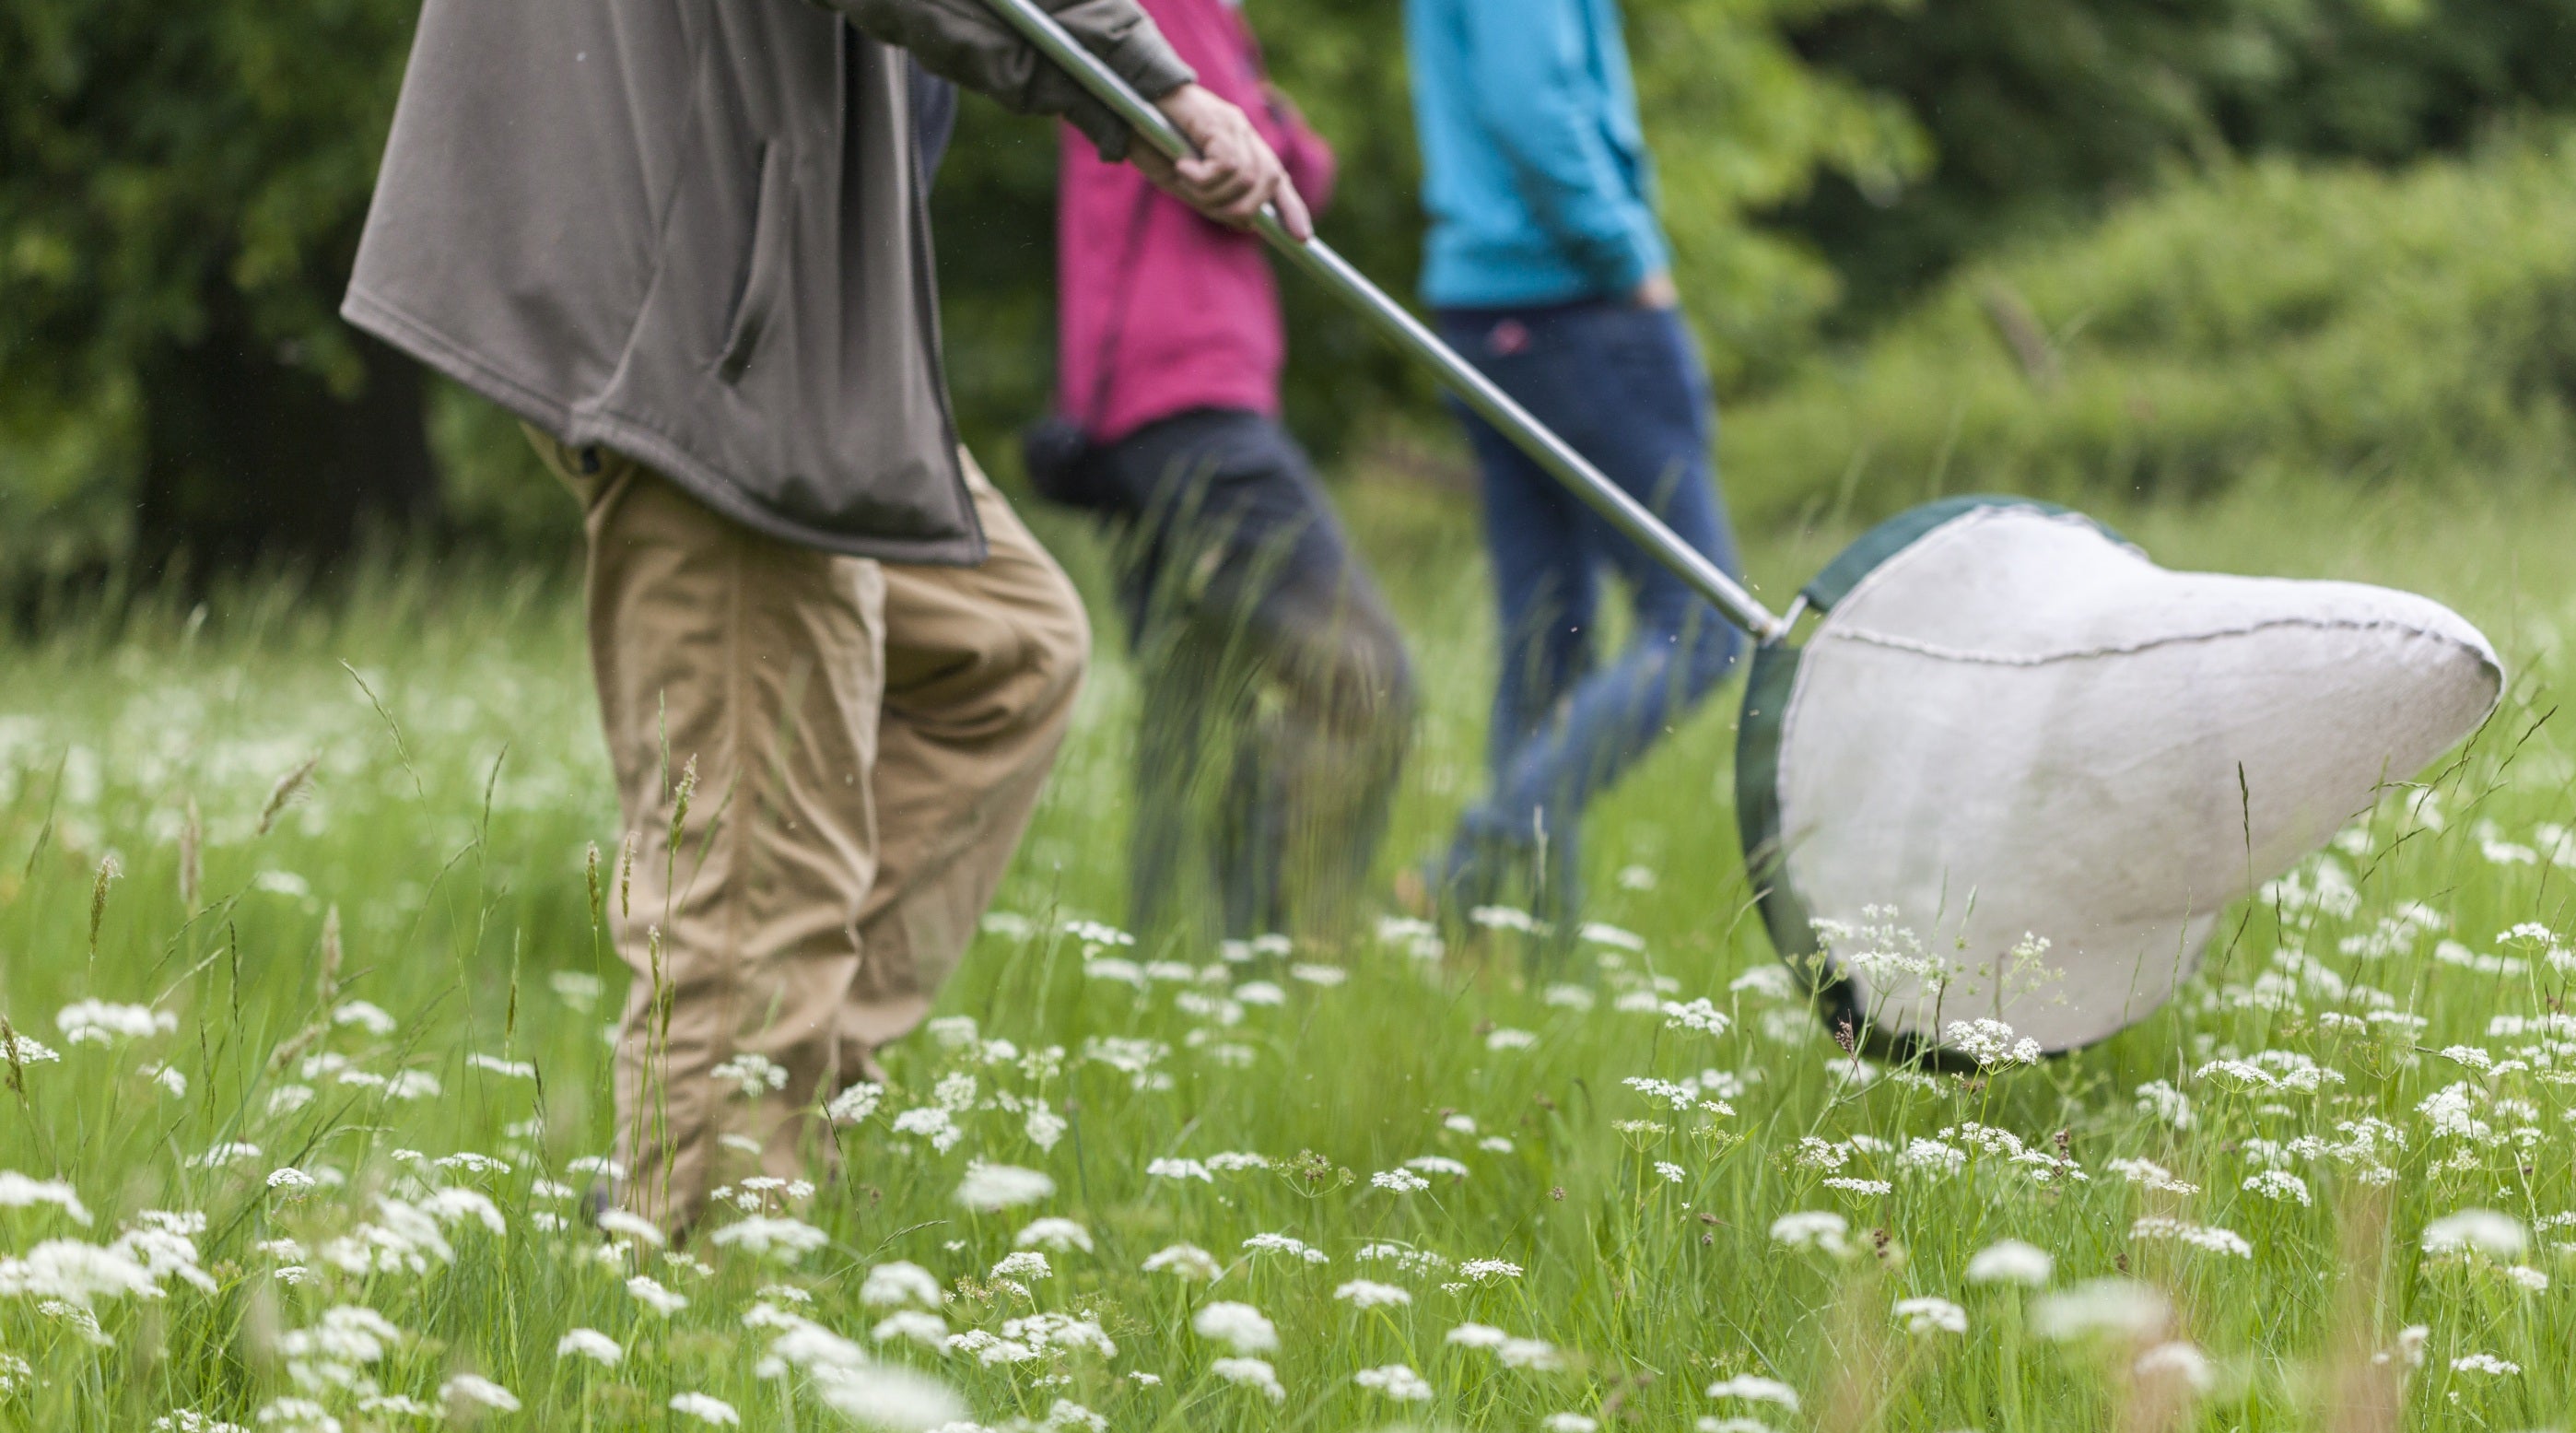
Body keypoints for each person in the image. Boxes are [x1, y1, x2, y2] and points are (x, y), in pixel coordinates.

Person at [342, 0, 1310, 1235]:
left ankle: (751, 1116)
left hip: (762, 296)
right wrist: (1148, 85)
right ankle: (693, 1299)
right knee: (755, 863)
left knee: (1003, 646)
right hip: (711, 315)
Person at [1042, 0, 1414, 947]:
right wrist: (1277, 124)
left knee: (1195, 723)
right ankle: (1279, 947)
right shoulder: (1176, 10)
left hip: (1140, 411)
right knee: (1364, 683)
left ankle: (1176, 972)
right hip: (1192, 399)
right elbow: (1269, 185)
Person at [1403, 0, 1746, 932]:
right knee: (1705, 620)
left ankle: (1521, 949)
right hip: (1572, 298)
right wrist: (1629, 258)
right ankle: (1472, 867)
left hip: (1484, 311)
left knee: (1546, 642)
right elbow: (1529, 104)